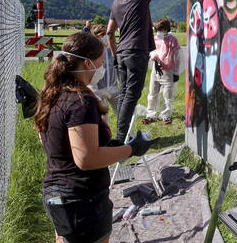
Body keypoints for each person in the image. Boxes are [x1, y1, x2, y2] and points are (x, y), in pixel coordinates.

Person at [34, 32, 160, 243]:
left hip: (58, 195)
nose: (102, 68)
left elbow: (49, 141)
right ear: (86, 63)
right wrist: (132, 149)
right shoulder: (81, 101)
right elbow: (86, 159)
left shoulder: (52, 92)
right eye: (101, 62)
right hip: (82, 200)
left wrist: (106, 145)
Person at [107, 0, 195, 142]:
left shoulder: (116, 1)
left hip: (121, 53)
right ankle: (122, 139)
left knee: (124, 95)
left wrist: (115, 55)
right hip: (136, 51)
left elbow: (109, 32)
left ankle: (125, 135)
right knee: (132, 95)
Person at [143, 18, 182, 125]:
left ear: (166, 29)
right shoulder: (155, 39)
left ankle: (166, 115)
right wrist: (152, 55)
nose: (158, 32)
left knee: (167, 95)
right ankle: (150, 114)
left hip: (168, 72)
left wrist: (176, 72)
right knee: (152, 94)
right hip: (156, 70)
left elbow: (177, 58)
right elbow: (151, 50)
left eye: (160, 30)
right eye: (157, 30)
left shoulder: (173, 40)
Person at [89, 24, 119, 118]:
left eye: (106, 34)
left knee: (122, 113)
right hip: (99, 89)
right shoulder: (92, 52)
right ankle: (103, 133)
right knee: (102, 117)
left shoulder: (113, 49)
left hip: (114, 87)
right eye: (102, 35)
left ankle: (128, 133)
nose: (105, 37)